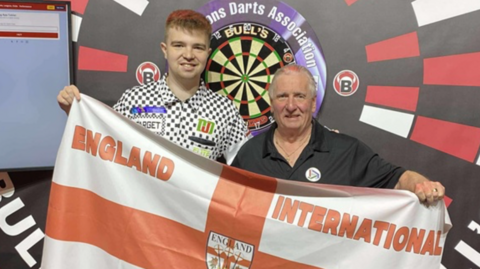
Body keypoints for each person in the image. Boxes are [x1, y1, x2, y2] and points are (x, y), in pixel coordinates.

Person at [231, 64, 445, 204]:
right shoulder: (250, 153)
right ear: (271, 104)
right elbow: (224, 203)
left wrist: (420, 184)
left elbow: (398, 179)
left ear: (313, 103)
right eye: (282, 97)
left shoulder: (346, 150)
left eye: (299, 96)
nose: (290, 106)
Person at [57, 10, 249, 164]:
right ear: (165, 50)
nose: (188, 55)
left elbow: (248, 168)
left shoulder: (224, 111)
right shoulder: (134, 100)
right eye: (179, 45)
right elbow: (102, 146)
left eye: (197, 47)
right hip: (138, 211)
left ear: (207, 53)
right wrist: (75, 111)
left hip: (195, 213)